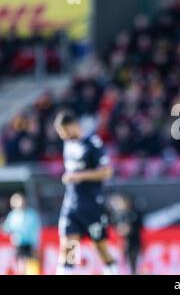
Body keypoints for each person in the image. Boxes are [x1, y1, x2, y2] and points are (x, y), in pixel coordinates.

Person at [53, 110, 117, 275]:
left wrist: (78, 176)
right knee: (69, 247)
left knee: (100, 247)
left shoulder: (92, 143)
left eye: (64, 131)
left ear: (72, 126)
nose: (62, 136)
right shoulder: (69, 145)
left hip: (92, 205)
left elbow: (107, 172)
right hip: (72, 205)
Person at [3, 192, 41, 275]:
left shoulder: (32, 214)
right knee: (21, 267)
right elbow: (6, 229)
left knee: (32, 267)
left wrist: (36, 245)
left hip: (31, 245)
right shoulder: (12, 215)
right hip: (18, 244)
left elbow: (36, 231)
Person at [108, 193, 143, 275]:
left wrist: (127, 229)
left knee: (133, 263)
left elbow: (136, 227)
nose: (118, 205)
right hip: (117, 245)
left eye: (120, 202)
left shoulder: (133, 214)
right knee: (117, 264)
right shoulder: (114, 216)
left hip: (133, 244)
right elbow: (112, 229)